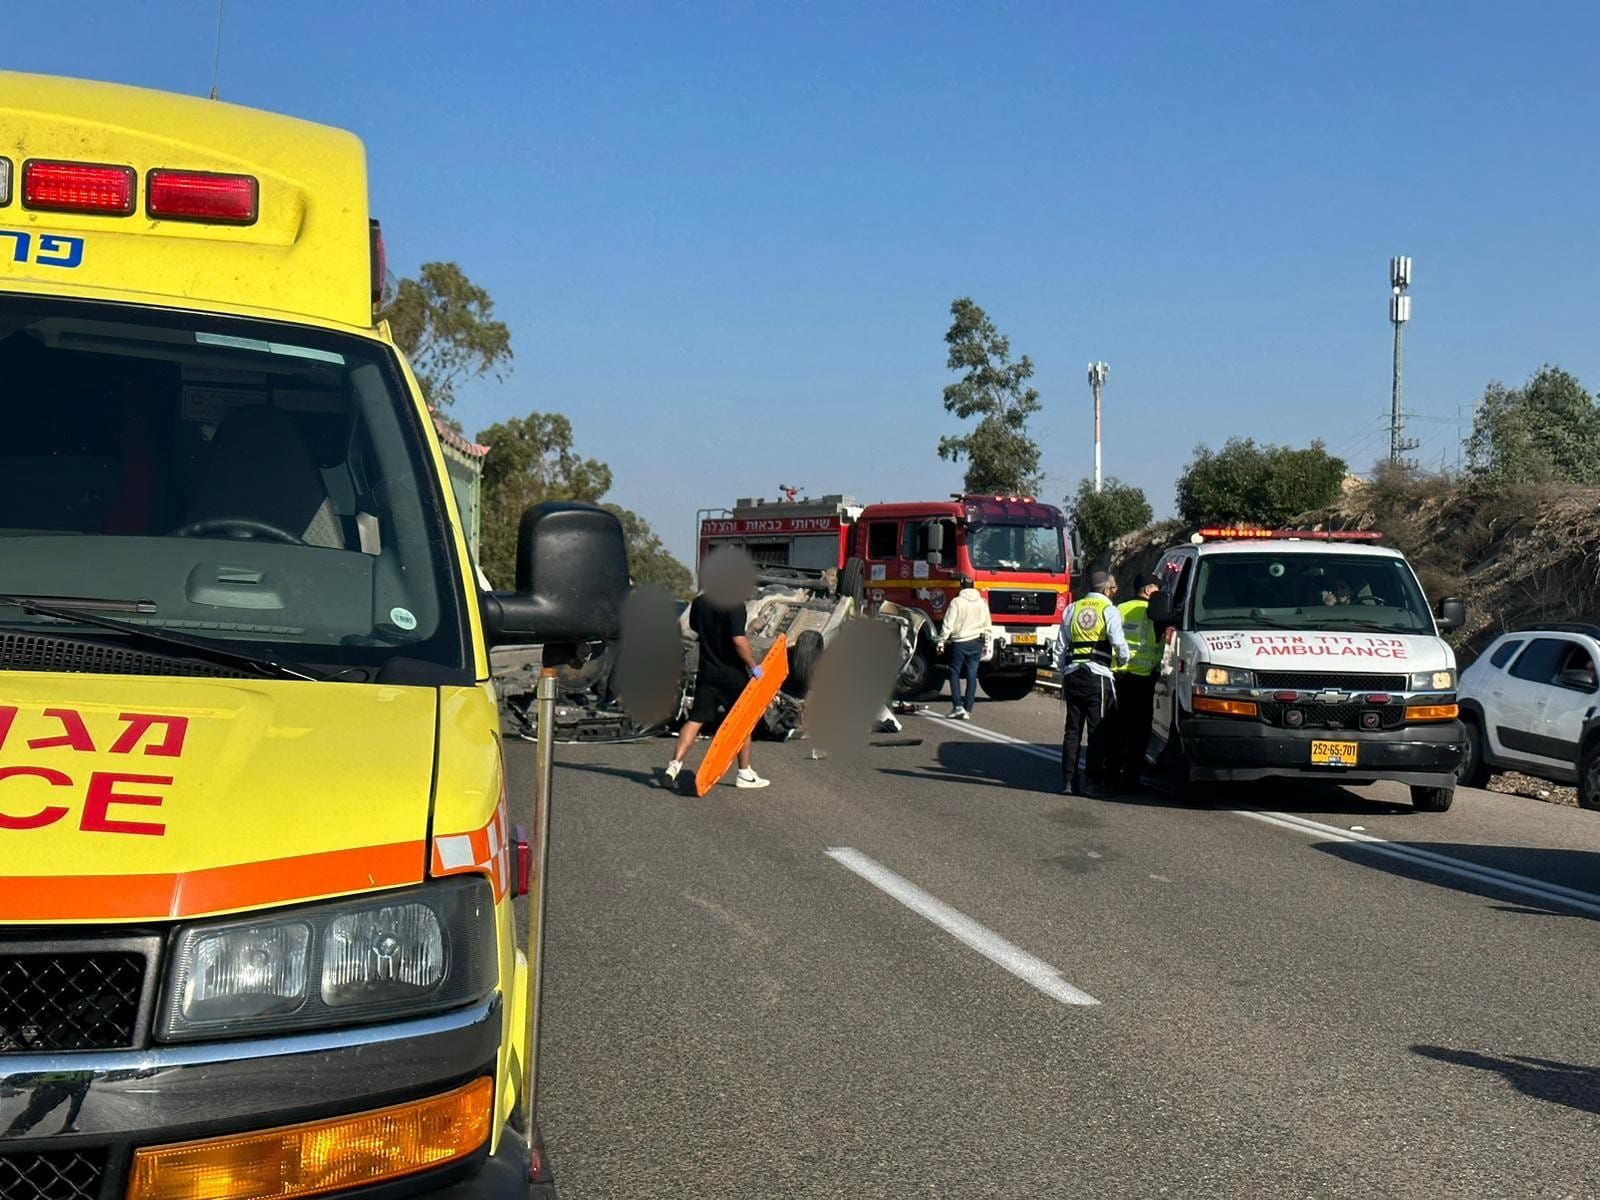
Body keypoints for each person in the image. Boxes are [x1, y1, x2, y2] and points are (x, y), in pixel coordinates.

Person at [659, 589, 770, 791]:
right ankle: (744, 773)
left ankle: (674, 765)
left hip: (707, 671)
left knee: (695, 719)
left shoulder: (699, 603)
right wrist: (753, 665)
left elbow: (695, 627)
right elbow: (738, 640)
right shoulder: (735, 605)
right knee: (742, 723)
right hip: (732, 675)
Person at [1057, 570, 1129, 796]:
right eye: (1114, 588)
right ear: (1106, 590)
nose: (1115, 592)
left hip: (1072, 674)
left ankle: (1068, 782)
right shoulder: (1109, 609)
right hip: (1097, 676)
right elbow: (1118, 643)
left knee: (1072, 730)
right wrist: (1125, 658)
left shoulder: (1073, 608)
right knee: (1097, 731)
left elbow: (1060, 646)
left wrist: (1064, 670)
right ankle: (1092, 782)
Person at [1109, 575, 1163, 791]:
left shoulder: (1119, 608)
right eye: (1157, 588)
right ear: (1149, 590)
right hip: (1143, 680)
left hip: (1118, 677)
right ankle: (1131, 779)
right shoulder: (1157, 613)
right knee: (1139, 733)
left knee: (1116, 729)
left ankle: (1111, 776)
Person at [936, 575, 994, 720]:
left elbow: (948, 624)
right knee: (972, 675)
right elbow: (987, 625)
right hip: (977, 642)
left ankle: (957, 707)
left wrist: (941, 641)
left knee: (954, 673)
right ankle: (968, 709)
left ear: (961, 586)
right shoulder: (982, 603)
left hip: (960, 642)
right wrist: (987, 643)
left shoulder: (956, 602)